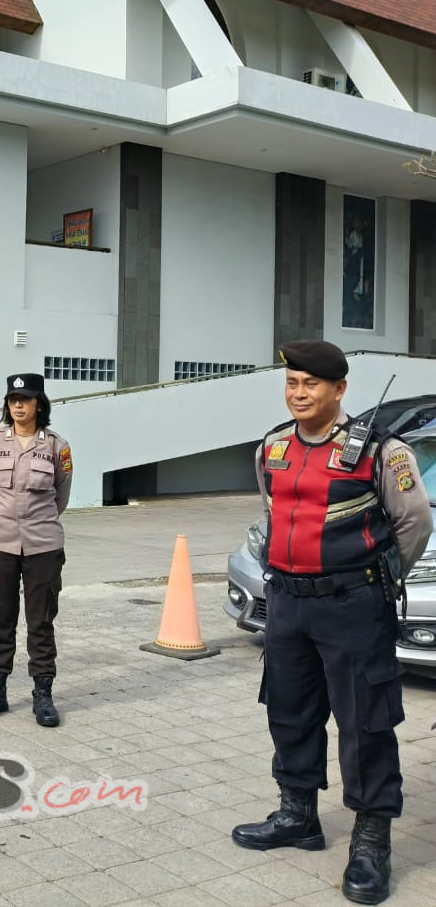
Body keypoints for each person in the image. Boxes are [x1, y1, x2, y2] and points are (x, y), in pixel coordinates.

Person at [232, 340, 432, 906]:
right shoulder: (273, 447)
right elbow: (273, 509)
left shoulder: (380, 451)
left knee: (365, 723)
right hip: (288, 604)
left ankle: (371, 842)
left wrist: (374, 578)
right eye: (292, 383)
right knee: (289, 709)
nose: (299, 393)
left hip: (353, 604)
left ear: (339, 390)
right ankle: (297, 815)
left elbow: (412, 524)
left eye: (310, 384)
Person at [0, 373, 72, 727]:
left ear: (39, 404)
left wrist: (35, 522)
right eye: (13, 399)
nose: (18, 405)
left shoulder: (57, 447)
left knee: (41, 621)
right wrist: (5, 519)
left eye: (26, 399)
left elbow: (61, 495)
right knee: (0, 618)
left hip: (43, 544)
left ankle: (42, 695)